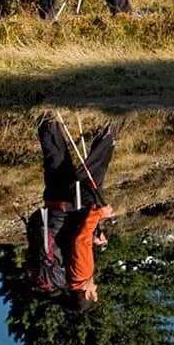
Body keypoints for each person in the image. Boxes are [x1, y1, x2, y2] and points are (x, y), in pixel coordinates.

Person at [35, 113, 118, 307]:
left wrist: (100, 214)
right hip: (55, 207)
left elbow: (80, 240)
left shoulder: (82, 274)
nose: (96, 289)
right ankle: (46, 120)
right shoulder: (66, 280)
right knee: (57, 163)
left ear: (87, 295)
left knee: (92, 177)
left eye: (94, 293)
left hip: (71, 205)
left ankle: (109, 131)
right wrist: (96, 239)